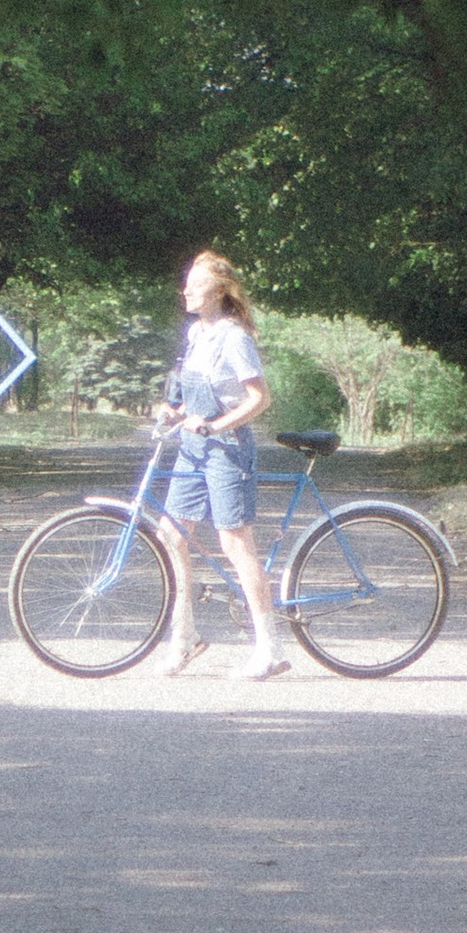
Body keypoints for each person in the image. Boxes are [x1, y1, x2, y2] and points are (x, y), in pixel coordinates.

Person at [156, 251, 286, 678]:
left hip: (227, 448)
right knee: (171, 534)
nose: (186, 290)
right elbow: (189, 394)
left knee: (235, 544)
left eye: (196, 284)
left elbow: (259, 399)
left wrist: (215, 426)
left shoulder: (235, 338)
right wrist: (174, 411)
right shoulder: (196, 333)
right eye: (187, 283)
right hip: (194, 447)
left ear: (219, 291)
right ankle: (185, 636)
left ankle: (269, 648)